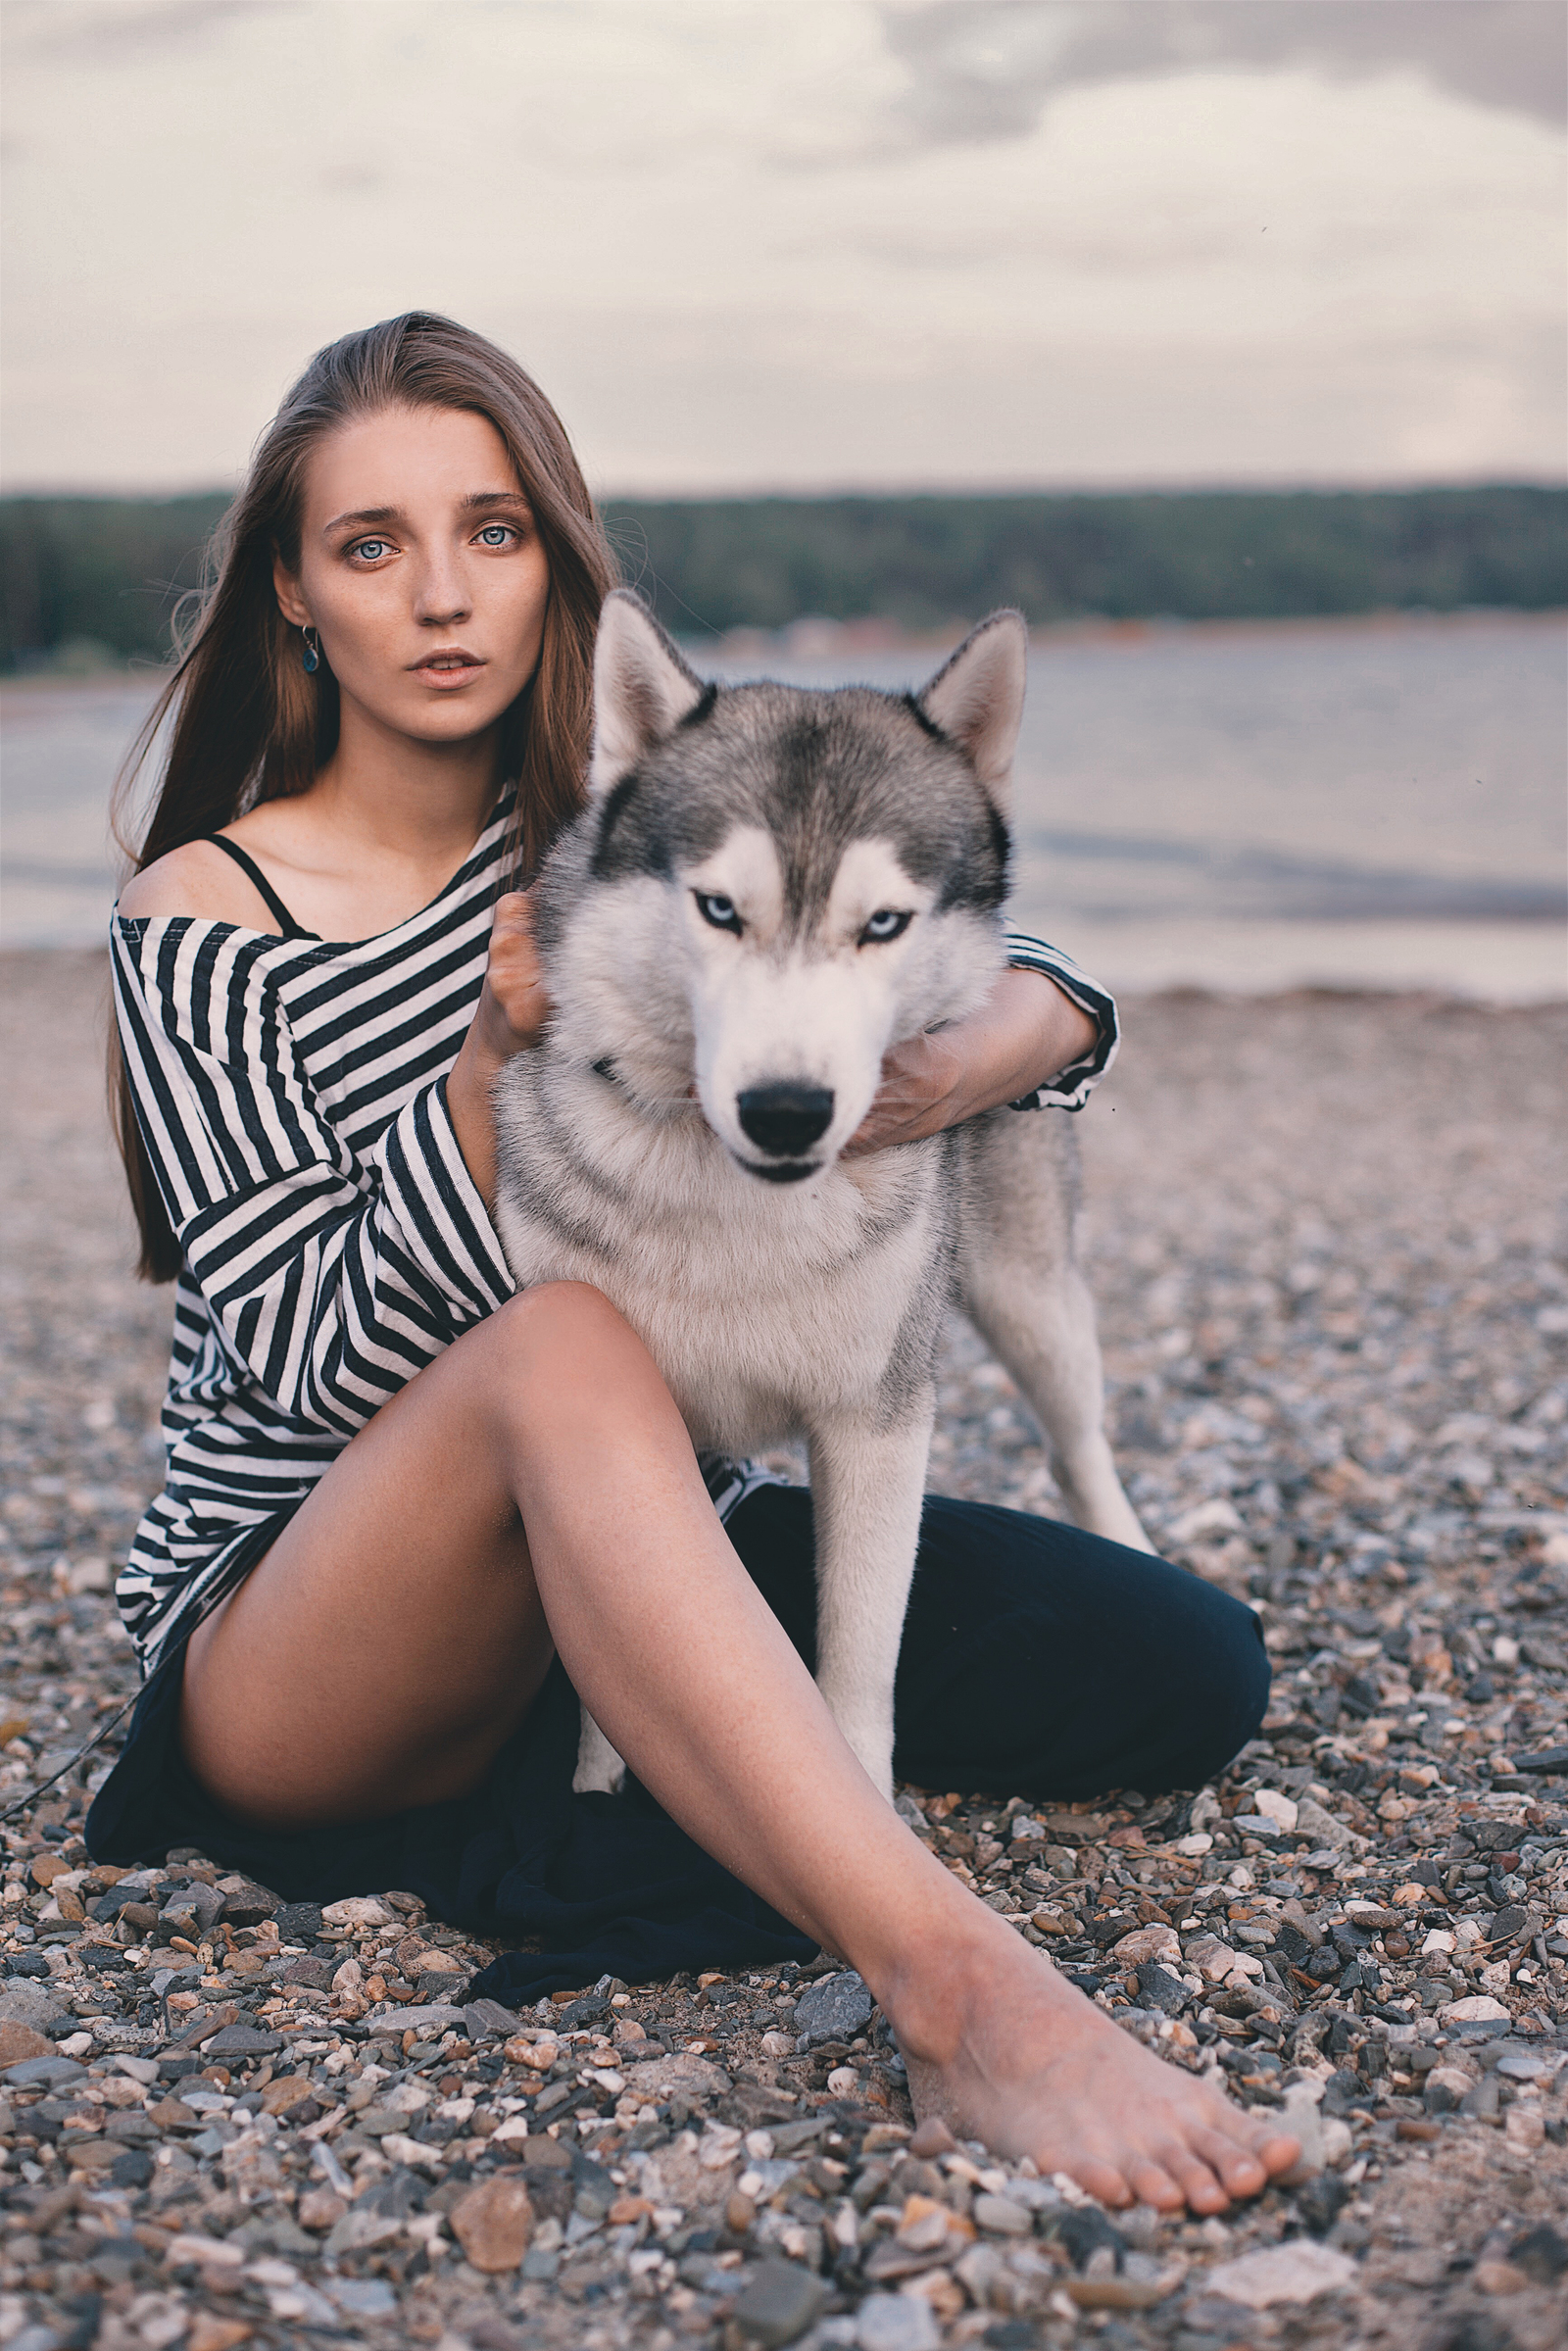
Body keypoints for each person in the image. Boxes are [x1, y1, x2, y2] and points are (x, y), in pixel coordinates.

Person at [93, 312, 1298, 2211]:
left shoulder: (656, 835)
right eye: (370, 545)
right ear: (292, 598)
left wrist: (1045, 1017)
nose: (440, 596)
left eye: (491, 533)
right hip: (300, 1641)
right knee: (568, 1342)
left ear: (559, 563)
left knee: (1176, 1670)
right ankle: (962, 1992)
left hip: (631, 1533)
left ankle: (706, 1764)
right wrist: (498, 1062)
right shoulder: (206, 917)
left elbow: (922, 906)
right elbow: (323, 1366)